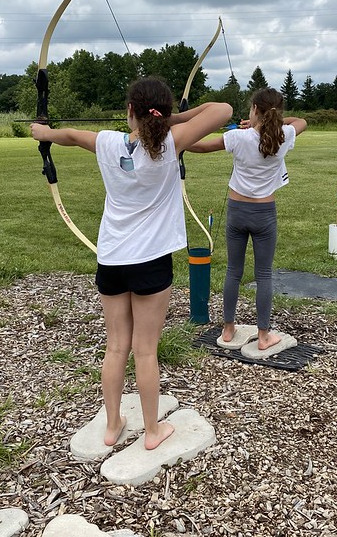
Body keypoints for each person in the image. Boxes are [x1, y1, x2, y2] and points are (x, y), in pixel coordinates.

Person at [31, 77, 232, 451]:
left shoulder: (108, 142)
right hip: (151, 262)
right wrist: (172, 120)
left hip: (112, 260)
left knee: (115, 347)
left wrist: (42, 131)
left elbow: (72, 136)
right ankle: (152, 432)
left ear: (129, 111)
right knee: (145, 351)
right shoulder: (172, 142)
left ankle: (112, 426)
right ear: (163, 115)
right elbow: (223, 110)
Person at [187, 87, 306, 352]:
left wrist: (178, 140)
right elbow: (302, 123)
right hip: (264, 213)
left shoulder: (238, 138)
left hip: (237, 210)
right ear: (277, 113)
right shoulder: (284, 135)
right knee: (263, 275)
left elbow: (201, 146)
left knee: (233, 271)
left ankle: (228, 329)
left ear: (254, 109)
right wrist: (272, 122)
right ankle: (264, 336)